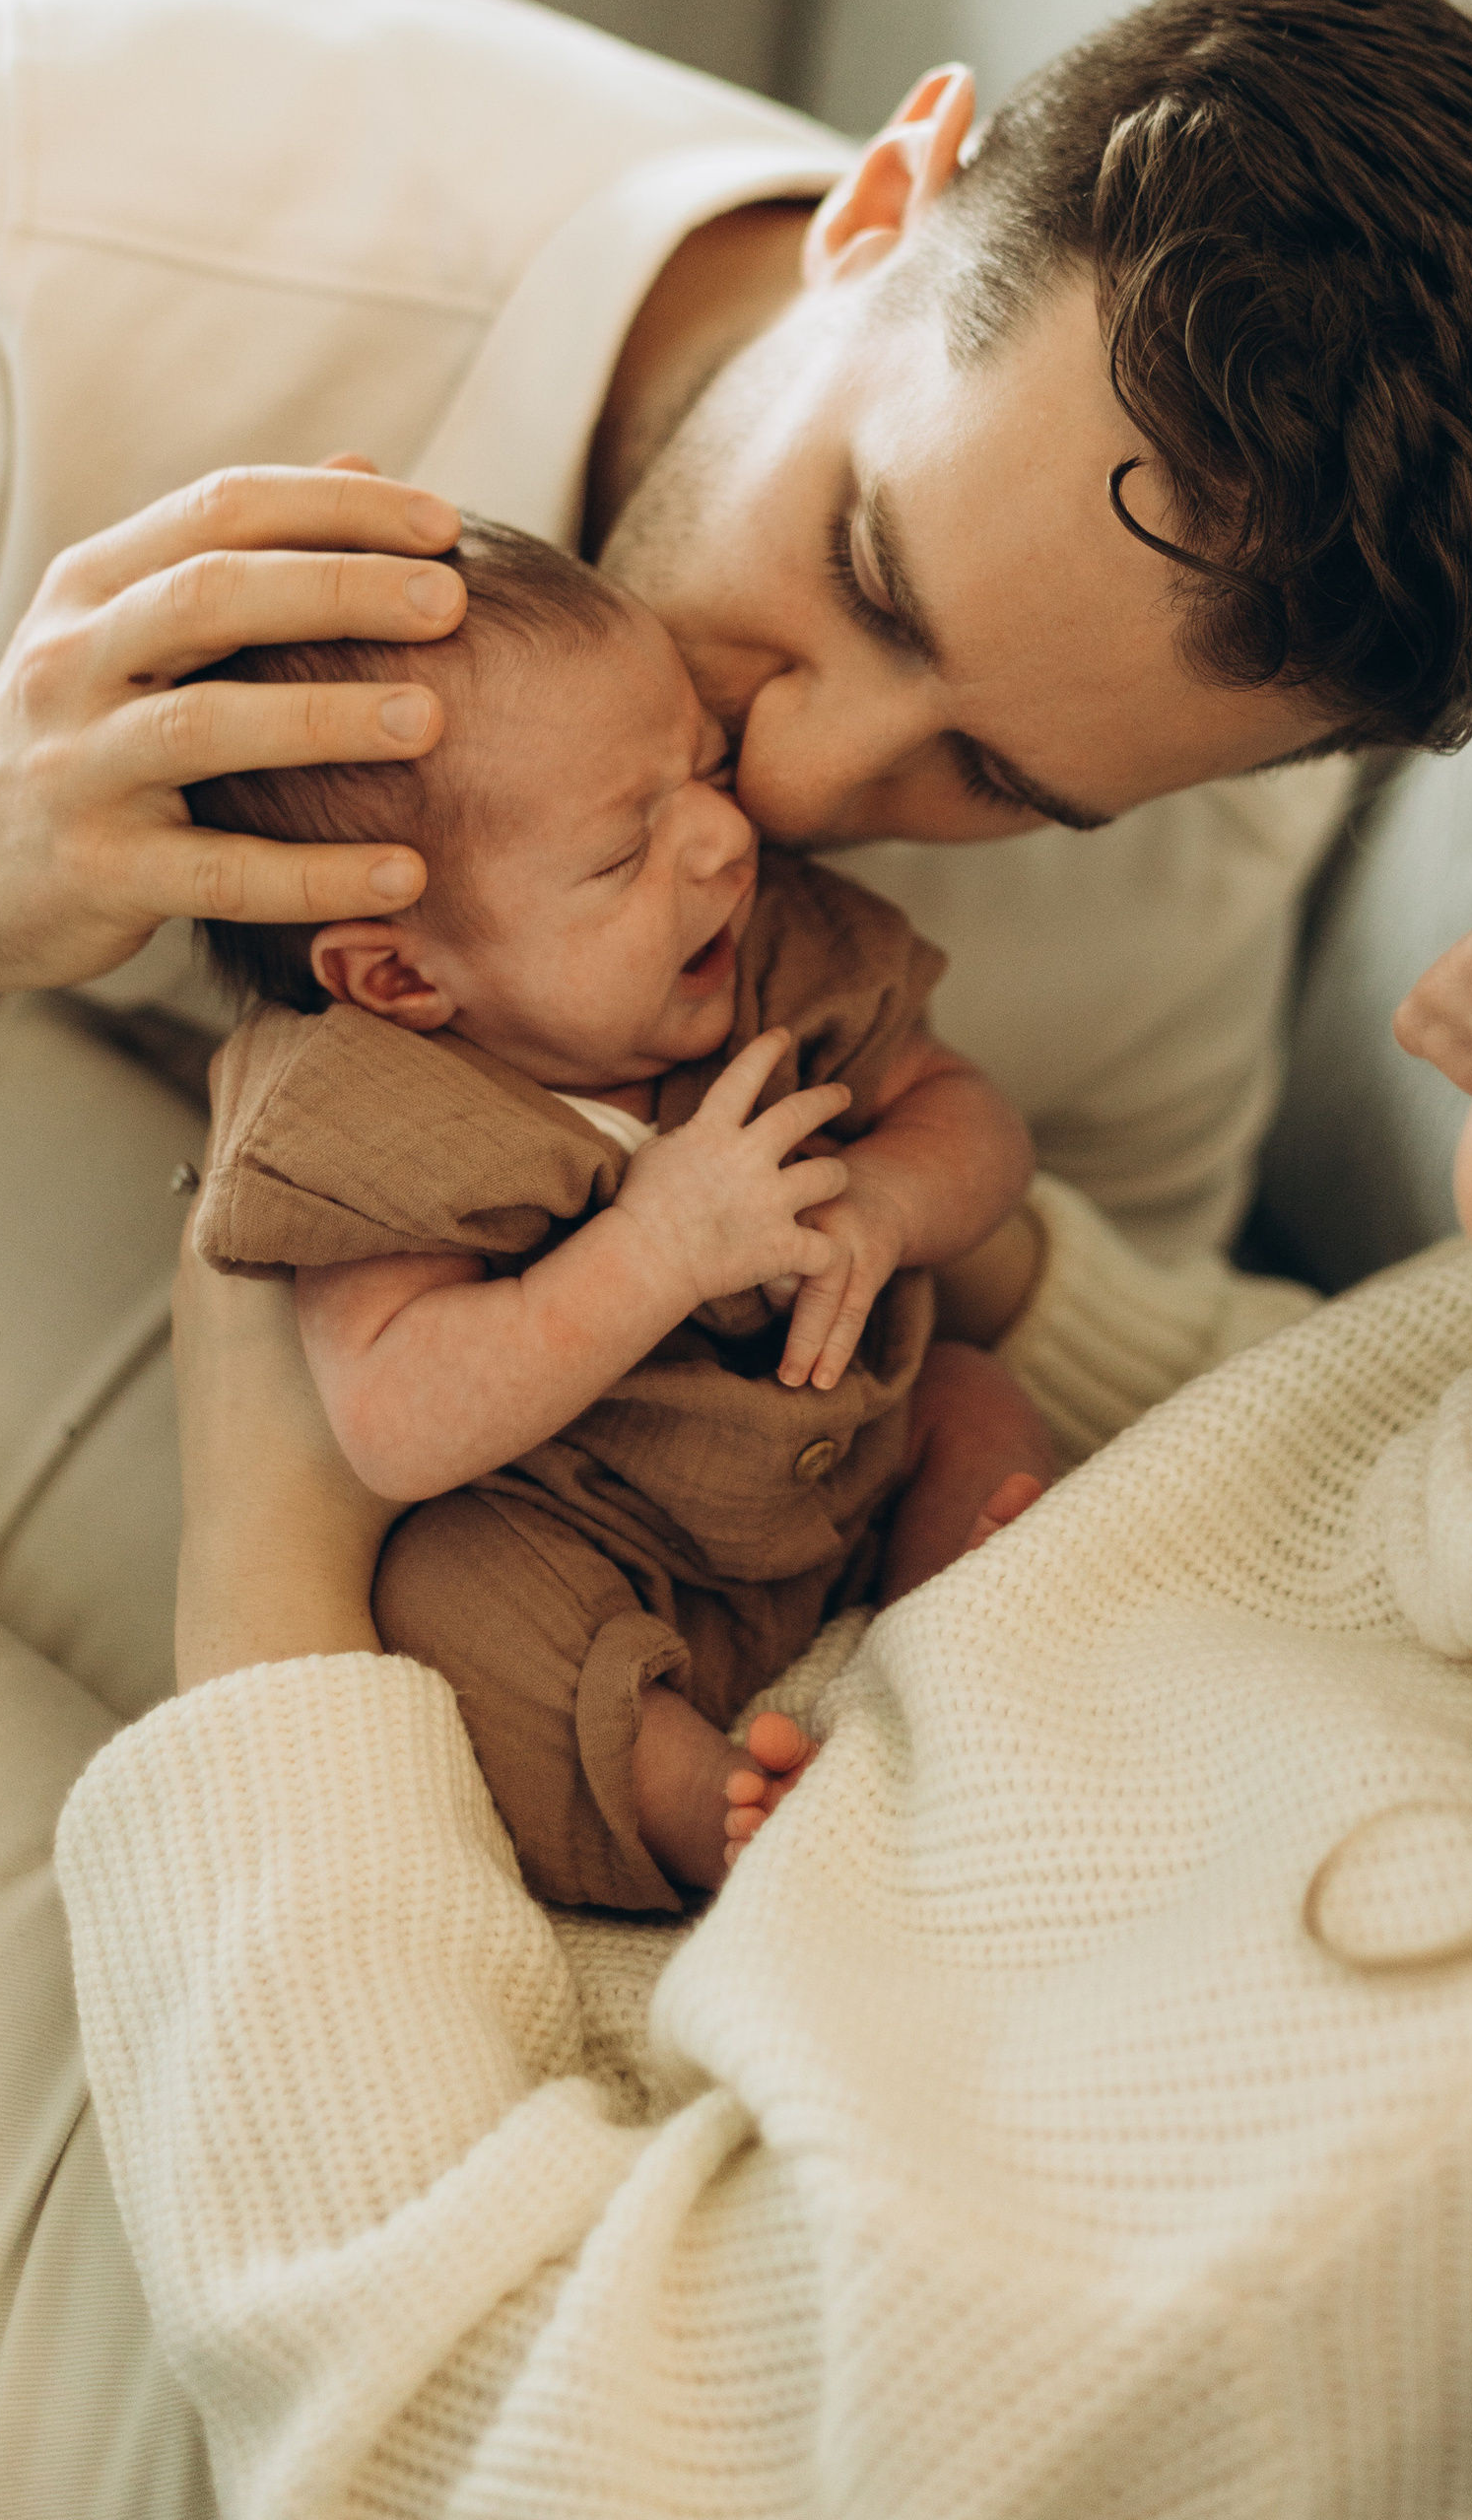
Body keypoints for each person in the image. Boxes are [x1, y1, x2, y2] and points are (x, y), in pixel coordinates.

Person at [0, 0, 1472, 2512]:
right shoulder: (98, 204)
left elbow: (941, 1464)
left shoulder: (1180, 839)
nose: (787, 780)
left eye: (996, 783)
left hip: (474, 1574)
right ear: (884, 199)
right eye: (874, 578)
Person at [54, 554, 1472, 2520]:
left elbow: (477, 2444)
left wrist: (264, 1572)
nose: (1430, 1009)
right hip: (668, 1704)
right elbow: (1321, 1438)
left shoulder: (1409, 2141)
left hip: (383, 2257)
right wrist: (913, 1259)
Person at [184, 517, 1048, 1907]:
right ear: (400, 982)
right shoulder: (375, 1118)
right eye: (621, 850)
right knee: (455, 1600)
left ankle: (975, 1634)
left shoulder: (777, 963)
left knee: (969, 1395)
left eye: (701, 767)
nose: (719, 837)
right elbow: (394, 1421)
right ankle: (704, 1807)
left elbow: (972, 1116)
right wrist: (652, 1251)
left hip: (849, 1450)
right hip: (602, 1553)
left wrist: (889, 1198)